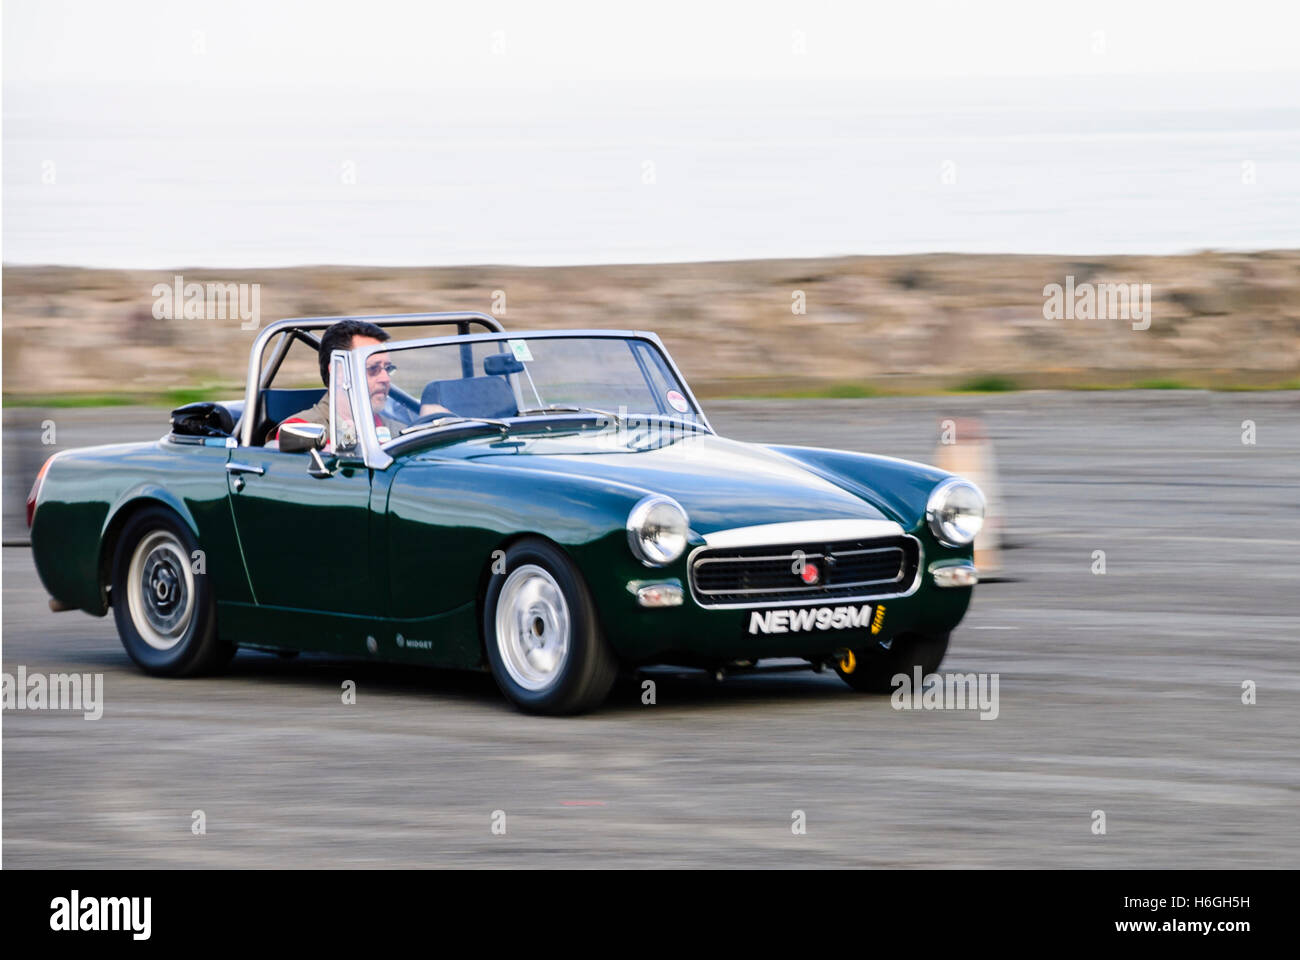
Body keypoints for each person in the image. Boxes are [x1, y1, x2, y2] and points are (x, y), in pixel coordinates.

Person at [275, 319, 398, 444]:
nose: (386, 378)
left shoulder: (400, 431)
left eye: (388, 368)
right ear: (338, 373)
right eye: (373, 369)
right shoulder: (301, 430)